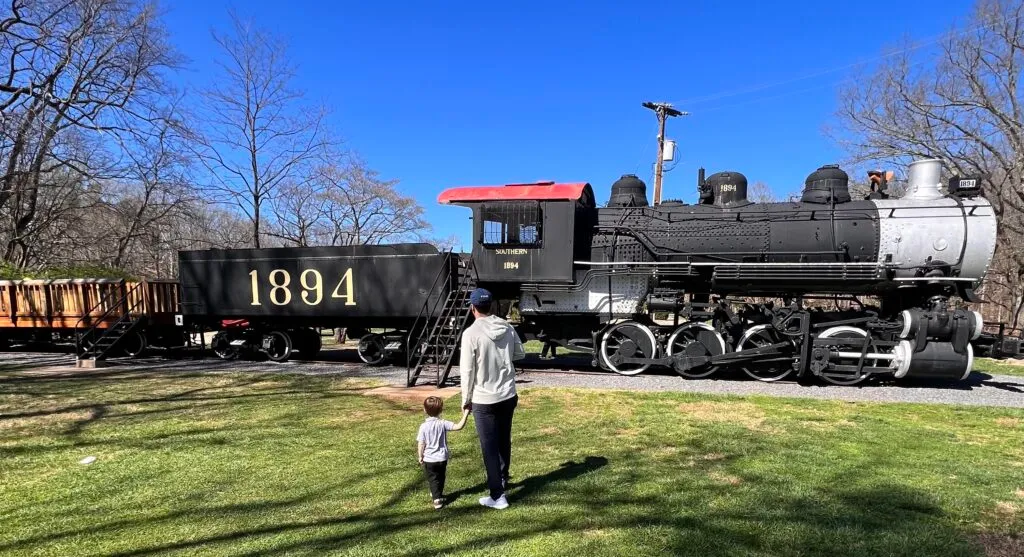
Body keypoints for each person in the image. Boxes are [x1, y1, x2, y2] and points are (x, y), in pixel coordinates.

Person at [459, 288, 526, 510]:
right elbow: (520, 354)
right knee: (504, 440)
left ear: (473, 308)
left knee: (489, 447)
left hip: (484, 398)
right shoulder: (507, 327)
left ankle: (498, 495)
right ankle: (503, 479)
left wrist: (466, 399)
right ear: (491, 306)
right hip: (507, 394)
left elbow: (467, 371)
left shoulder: (470, 333)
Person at [416, 396, 470, 509]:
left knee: (433, 478)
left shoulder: (423, 427)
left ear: (425, 410)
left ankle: (437, 500)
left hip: (429, 459)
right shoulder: (443, 423)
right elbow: (458, 426)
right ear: (441, 410)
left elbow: (421, 443)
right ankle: (437, 493)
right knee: (441, 477)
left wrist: (420, 456)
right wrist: (466, 413)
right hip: (442, 458)